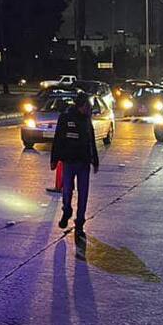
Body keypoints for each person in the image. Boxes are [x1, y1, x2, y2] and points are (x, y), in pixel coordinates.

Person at [51, 92, 99, 252]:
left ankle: (79, 223)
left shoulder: (87, 120)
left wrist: (95, 160)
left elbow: (91, 139)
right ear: (81, 106)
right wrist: (54, 159)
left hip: (83, 162)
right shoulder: (65, 118)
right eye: (88, 106)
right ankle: (67, 211)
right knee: (67, 191)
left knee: (83, 193)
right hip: (69, 161)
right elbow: (58, 139)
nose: (90, 108)